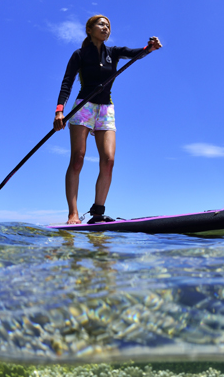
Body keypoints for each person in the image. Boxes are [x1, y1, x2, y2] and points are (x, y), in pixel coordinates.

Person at [54, 15, 162, 224]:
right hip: (84, 106)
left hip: (106, 109)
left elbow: (136, 54)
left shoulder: (114, 52)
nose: (106, 28)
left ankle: (97, 213)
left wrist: (150, 47)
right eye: (101, 24)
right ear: (89, 29)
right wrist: (60, 111)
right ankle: (73, 214)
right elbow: (67, 82)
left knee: (109, 161)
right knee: (77, 159)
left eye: (108, 26)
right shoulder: (79, 54)